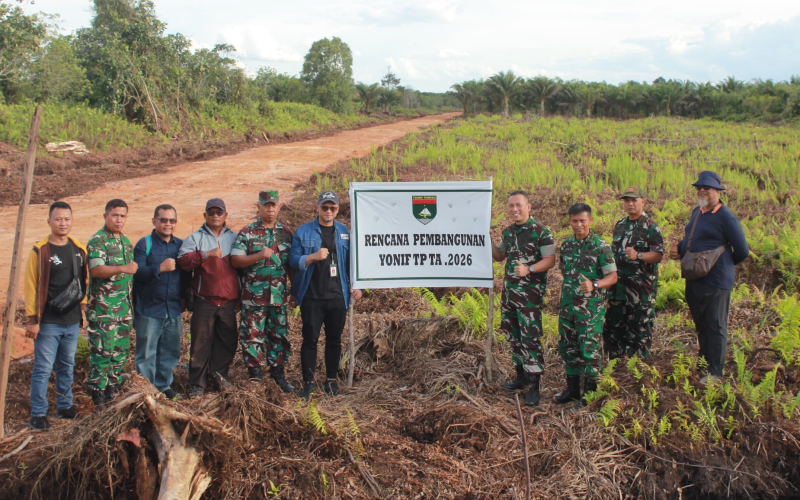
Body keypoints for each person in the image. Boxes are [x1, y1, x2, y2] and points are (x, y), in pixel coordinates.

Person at [669, 171, 749, 384]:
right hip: (695, 278)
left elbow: (742, 250)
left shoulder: (726, 217)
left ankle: (715, 373)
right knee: (702, 324)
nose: (702, 191)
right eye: (699, 188)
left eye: (707, 188)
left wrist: (721, 264)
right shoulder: (698, 212)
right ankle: (704, 365)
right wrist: (679, 248)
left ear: (718, 191)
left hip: (717, 281)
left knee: (716, 325)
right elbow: (690, 238)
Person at [289, 191, 361, 399]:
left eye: (332, 208)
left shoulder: (344, 231)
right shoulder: (303, 232)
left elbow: (352, 262)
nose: (328, 211)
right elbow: (293, 260)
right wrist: (312, 256)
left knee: (334, 340)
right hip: (312, 296)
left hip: (337, 296)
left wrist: (358, 286)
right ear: (317, 208)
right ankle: (308, 383)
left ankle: (331, 381)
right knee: (309, 339)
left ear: (338, 210)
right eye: (324, 207)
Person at [23, 201, 88, 430]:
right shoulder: (40, 251)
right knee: (42, 368)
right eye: (58, 219)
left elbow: (83, 282)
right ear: (49, 221)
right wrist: (32, 320)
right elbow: (31, 286)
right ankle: (38, 413)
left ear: (72, 221)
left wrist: (82, 310)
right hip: (49, 322)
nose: (63, 223)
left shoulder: (79, 249)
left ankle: (65, 406)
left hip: (71, 322)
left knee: (66, 365)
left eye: (67, 219)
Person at [492, 190, 556, 407]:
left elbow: (550, 260)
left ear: (528, 207)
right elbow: (500, 256)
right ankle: (520, 378)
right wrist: (486, 239)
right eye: (511, 206)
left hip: (529, 297)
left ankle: (534, 386)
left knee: (530, 339)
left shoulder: (541, 232)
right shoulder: (508, 232)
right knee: (514, 336)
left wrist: (529, 269)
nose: (514, 209)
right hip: (510, 295)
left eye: (518, 205)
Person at [554, 203, 618, 405]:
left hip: (590, 310)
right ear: (569, 221)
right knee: (568, 347)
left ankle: (590, 393)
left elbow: (613, 276)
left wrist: (595, 284)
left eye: (583, 220)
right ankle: (572, 389)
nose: (579, 225)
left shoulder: (601, 246)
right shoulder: (566, 245)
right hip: (567, 307)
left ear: (590, 220)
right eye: (575, 221)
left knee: (589, 350)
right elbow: (565, 272)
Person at [231, 191, 295, 393]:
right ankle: (255, 376)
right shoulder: (247, 232)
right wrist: (258, 255)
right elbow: (236, 260)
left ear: (279, 207)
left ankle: (278, 375)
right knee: (252, 336)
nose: (270, 209)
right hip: (253, 297)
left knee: (278, 335)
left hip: (278, 297)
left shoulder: (286, 232)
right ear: (258, 206)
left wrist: (295, 291)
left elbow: (291, 264)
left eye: (273, 205)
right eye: (266, 205)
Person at [177, 198, 240, 398]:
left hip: (228, 301)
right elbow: (183, 263)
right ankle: (197, 383)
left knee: (227, 341)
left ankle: (219, 377)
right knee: (200, 342)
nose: (215, 216)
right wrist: (205, 254)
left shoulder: (235, 237)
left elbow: (243, 267)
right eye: (211, 212)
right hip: (205, 300)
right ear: (204, 215)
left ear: (225, 215)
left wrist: (240, 294)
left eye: (219, 212)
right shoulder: (195, 238)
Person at [133, 204, 189, 400]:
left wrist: (183, 299)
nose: (168, 224)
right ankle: (146, 392)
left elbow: (185, 277)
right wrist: (160, 268)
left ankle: (164, 386)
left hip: (172, 308)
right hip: (148, 308)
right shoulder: (144, 244)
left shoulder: (180, 245)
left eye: (171, 220)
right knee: (146, 352)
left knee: (170, 351)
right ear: (154, 221)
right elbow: (137, 272)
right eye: (163, 220)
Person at [86, 199, 137, 406]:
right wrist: (122, 268)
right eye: (115, 215)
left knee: (120, 352)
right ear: (105, 216)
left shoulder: (125, 242)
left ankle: (112, 388)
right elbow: (96, 269)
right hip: (103, 310)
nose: (119, 219)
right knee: (102, 352)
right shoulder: (98, 240)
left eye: (122, 216)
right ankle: (97, 394)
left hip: (123, 309)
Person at [603, 187, 664, 359]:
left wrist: (639, 255)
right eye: (626, 200)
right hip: (618, 288)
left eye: (634, 200)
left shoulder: (651, 227)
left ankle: (638, 366)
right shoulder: (620, 225)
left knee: (639, 327)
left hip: (640, 290)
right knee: (614, 325)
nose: (630, 204)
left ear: (642, 202)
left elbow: (658, 255)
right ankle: (615, 362)